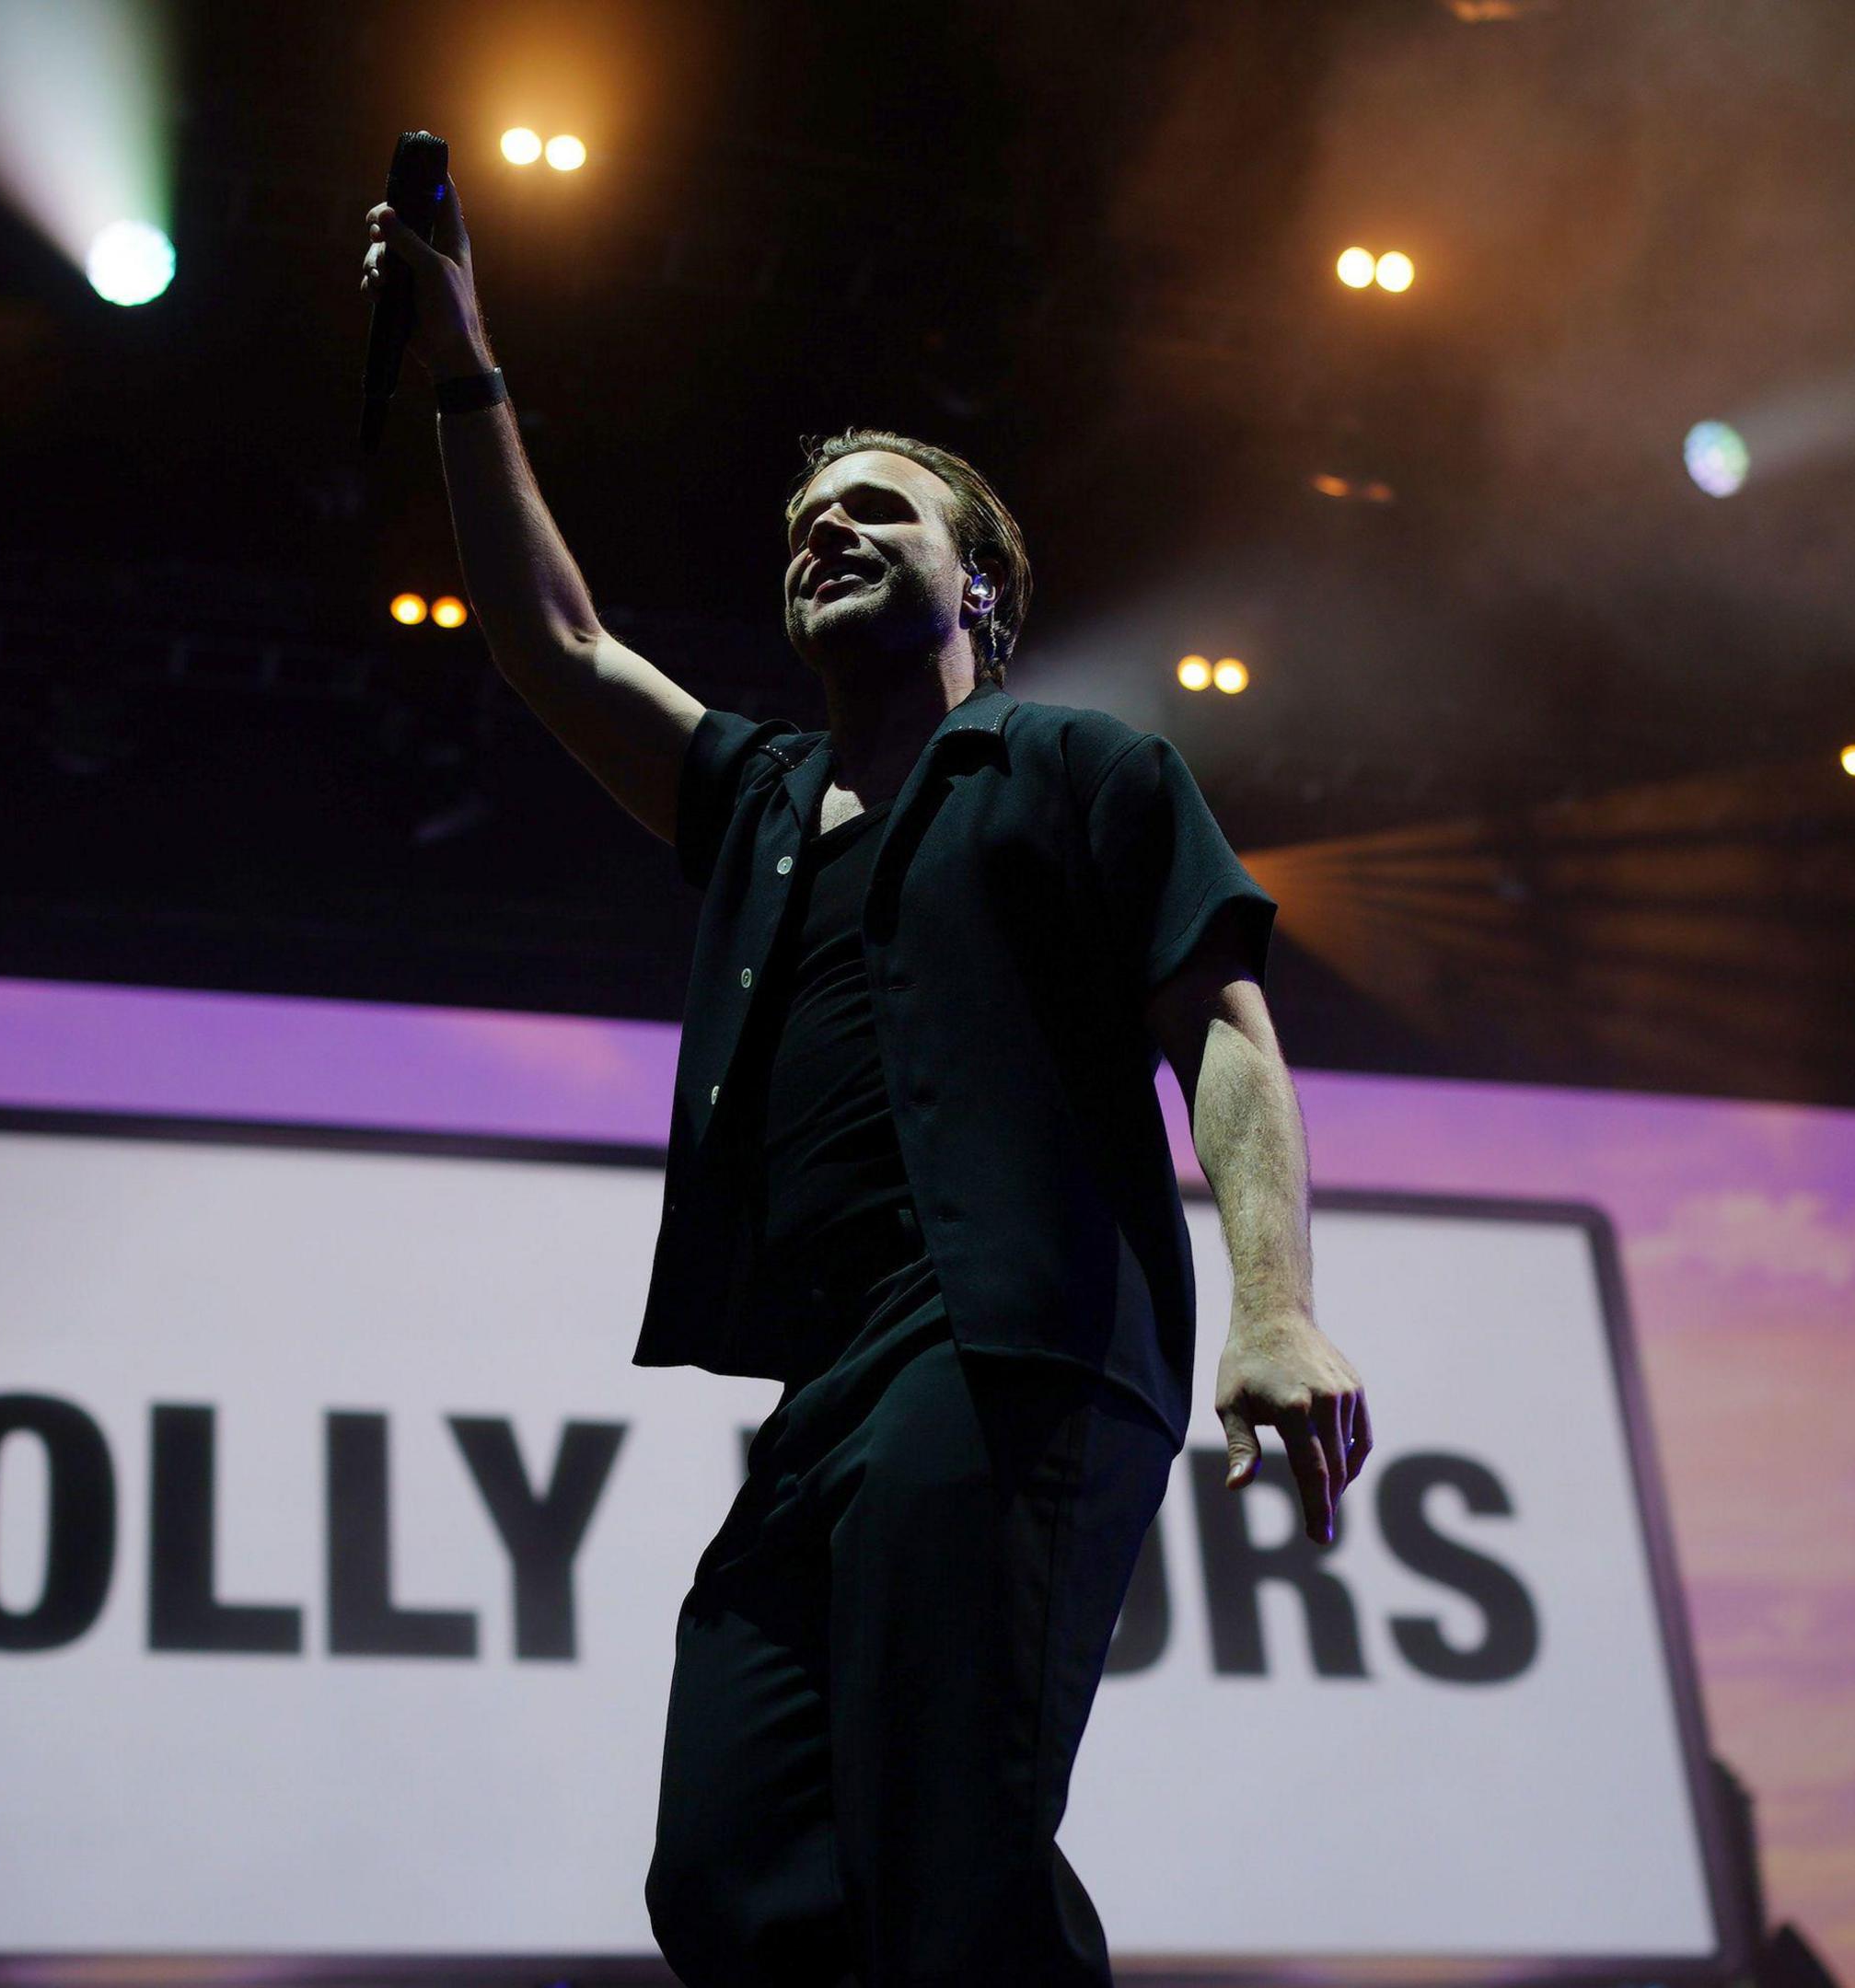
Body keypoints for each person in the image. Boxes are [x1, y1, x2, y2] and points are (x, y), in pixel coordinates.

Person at [365, 180, 1371, 1988]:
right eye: (803, 521)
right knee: (731, 1868)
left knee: (946, 1841)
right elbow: (555, 647)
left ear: (972, 575)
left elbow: (1221, 1029)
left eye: (874, 510)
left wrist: (1277, 1312)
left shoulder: (1078, 767)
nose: (825, 532)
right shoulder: (754, 799)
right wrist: (467, 373)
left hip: (1016, 1351)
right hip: (837, 1383)